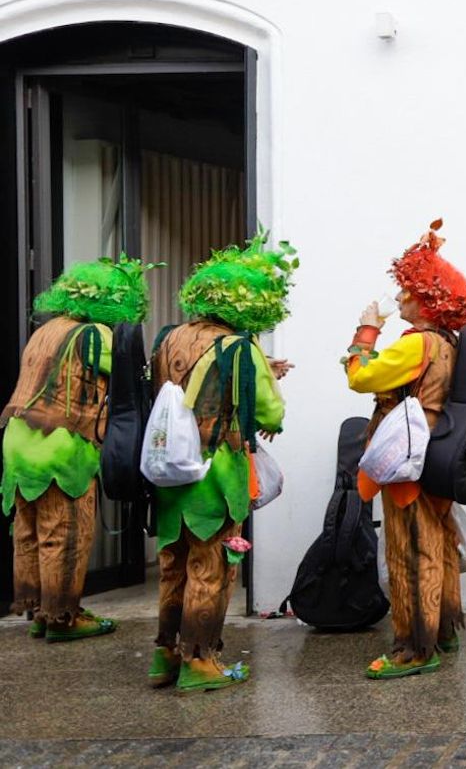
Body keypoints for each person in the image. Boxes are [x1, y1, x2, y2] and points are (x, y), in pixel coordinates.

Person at [149, 232, 294, 691]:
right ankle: (200, 663)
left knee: (173, 563)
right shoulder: (238, 348)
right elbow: (269, 413)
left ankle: (164, 657)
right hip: (216, 473)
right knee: (210, 568)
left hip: (171, 471)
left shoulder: (169, 338)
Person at [347, 219, 466, 679]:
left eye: (407, 291)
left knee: (408, 549)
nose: (399, 298)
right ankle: (443, 628)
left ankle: (413, 647)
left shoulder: (415, 344)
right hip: (440, 453)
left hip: (408, 460)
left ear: (427, 300)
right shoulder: (449, 342)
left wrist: (365, 332)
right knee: (439, 541)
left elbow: (360, 377)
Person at [2, 256, 155, 643]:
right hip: (61, 447)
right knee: (64, 533)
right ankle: (64, 618)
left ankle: (39, 611)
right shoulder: (93, 337)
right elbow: (135, 374)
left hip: (19, 442)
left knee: (30, 532)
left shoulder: (46, 330)